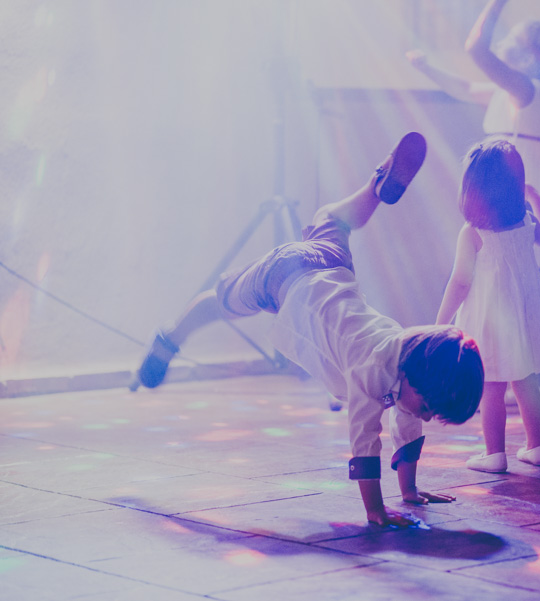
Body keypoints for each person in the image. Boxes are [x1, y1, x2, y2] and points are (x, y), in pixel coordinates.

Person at [135, 132, 485, 527]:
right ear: (414, 377)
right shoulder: (372, 372)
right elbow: (364, 442)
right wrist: (375, 510)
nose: (424, 414)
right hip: (284, 279)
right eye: (427, 407)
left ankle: (376, 185)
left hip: (331, 266)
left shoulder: (410, 357)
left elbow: (408, 419)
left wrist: (408, 492)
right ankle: (169, 340)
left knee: (332, 220)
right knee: (221, 302)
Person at [407, 0, 540, 309]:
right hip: (518, 182)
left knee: (515, 276)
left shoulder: (527, 87)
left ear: (529, 58)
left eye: (510, 38)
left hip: (520, 185)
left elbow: (476, 48)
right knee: (511, 280)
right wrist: (426, 68)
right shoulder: (518, 90)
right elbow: (466, 89)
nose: (501, 42)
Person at [436, 137, 540, 473]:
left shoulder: (473, 232)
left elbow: (460, 282)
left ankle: (494, 454)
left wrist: (441, 322)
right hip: (525, 314)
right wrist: (536, 198)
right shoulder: (523, 221)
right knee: (527, 381)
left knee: (491, 386)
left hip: (490, 319)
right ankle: (537, 447)